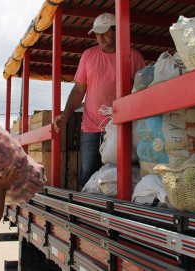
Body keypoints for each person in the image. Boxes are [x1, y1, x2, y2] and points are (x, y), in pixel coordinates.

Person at [54, 13, 145, 190]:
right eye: (96, 33)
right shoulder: (88, 55)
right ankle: (86, 213)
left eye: (104, 32)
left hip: (121, 127)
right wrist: (66, 112)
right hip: (91, 128)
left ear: (116, 31)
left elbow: (143, 90)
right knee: (87, 175)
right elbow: (79, 89)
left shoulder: (133, 56)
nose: (100, 37)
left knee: (117, 176)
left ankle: (114, 214)